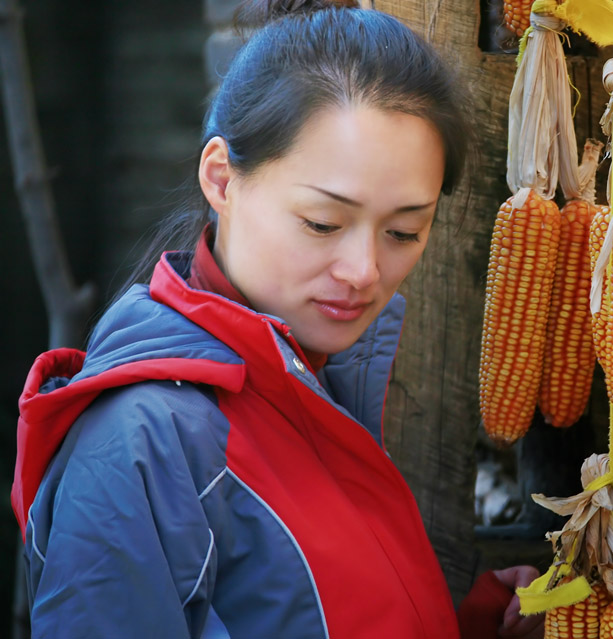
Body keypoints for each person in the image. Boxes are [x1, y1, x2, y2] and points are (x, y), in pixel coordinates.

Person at [11, 3, 543, 637]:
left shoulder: (327, 379)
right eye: (323, 223)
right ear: (222, 179)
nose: (364, 270)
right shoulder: (143, 443)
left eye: (405, 231)